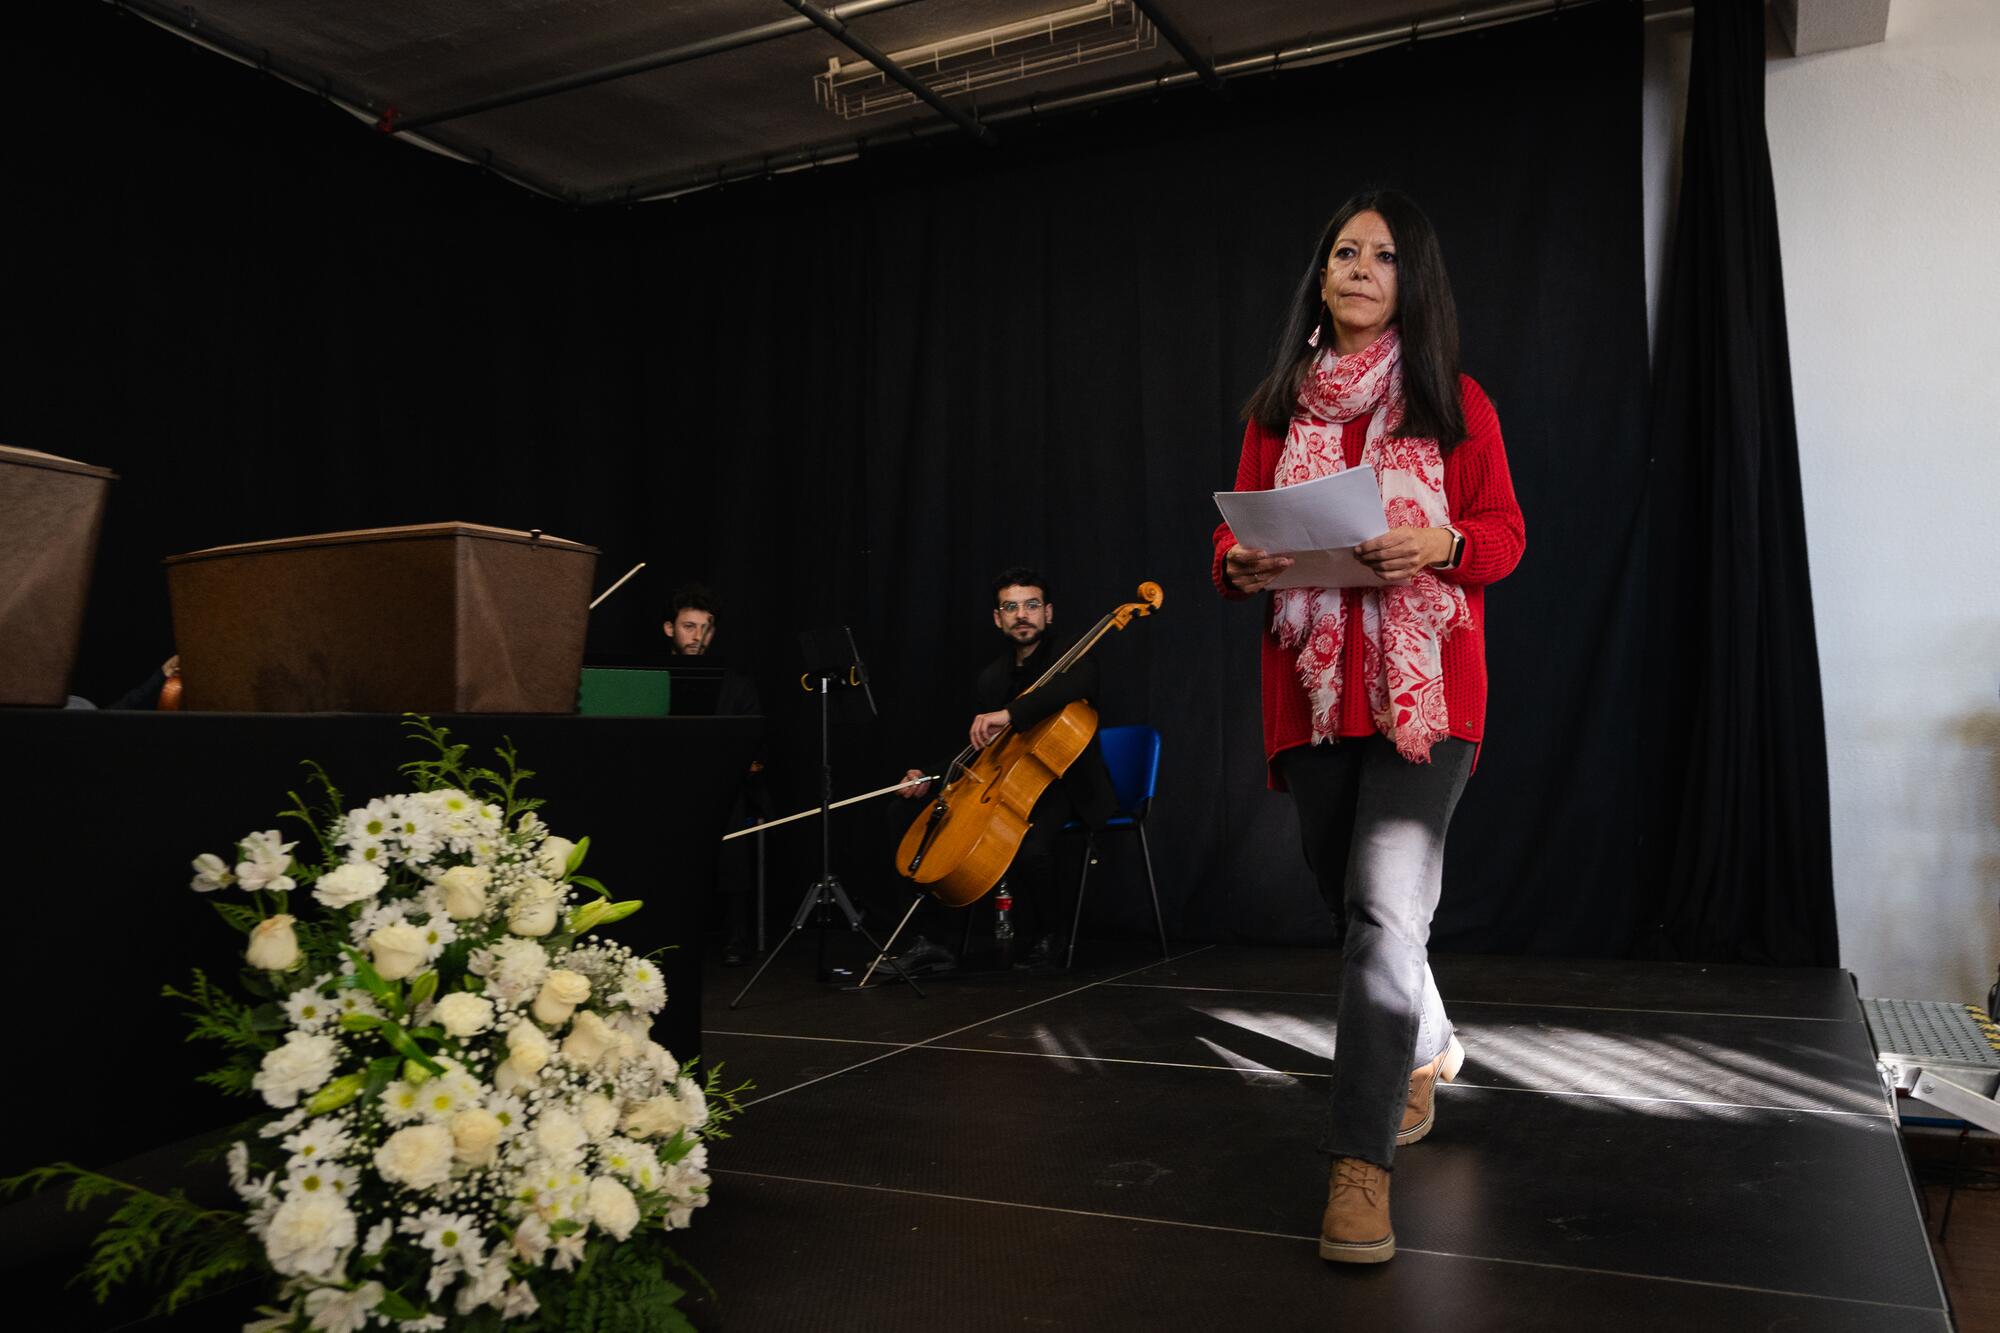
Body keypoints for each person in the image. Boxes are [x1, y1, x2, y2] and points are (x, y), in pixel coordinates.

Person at [1212, 189, 1524, 1265]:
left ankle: (1357, 1168)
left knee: (1386, 913)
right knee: (1349, 904)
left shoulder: (1452, 400)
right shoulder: (1274, 411)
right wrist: (1238, 563)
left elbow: (1502, 538)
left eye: (1381, 256)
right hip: (1306, 695)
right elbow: (1228, 544)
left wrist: (1435, 542)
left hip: (1426, 695)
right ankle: (1428, 1044)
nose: (1356, 268)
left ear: (1409, 280)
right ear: (1320, 273)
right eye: (1341, 251)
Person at [889, 566, 1118, 975]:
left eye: (1031, 605)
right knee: (927, 825)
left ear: (1048, 612)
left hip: (1068, 784)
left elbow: (1071, 690)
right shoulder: (992, 677)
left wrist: (1011, 712)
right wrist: (928, 775)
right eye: (1010, 608)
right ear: (998, 618)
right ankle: (933, 942)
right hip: (1008, 783)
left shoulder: (1075, 656)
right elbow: (981, 754)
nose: (1021, 615)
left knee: (1029, 844)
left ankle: (1052, 935)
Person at [662, 585, 768, 966]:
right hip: (663, 786)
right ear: (669, 629)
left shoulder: (736, 685)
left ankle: (735, 933)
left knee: (729, 809)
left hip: (721, 787)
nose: (697, 636)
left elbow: (753, 745)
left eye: (705, 628)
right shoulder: (652, 679)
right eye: (689, 626)